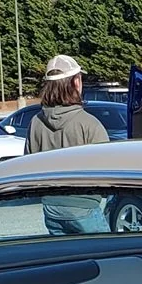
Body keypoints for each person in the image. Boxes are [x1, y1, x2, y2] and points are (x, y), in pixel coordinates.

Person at [27, 54, 112, 234]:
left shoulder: (35, 122)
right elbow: (107, 171)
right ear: (75, 82)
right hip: (85, 206)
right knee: (105, 258)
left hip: (51, 207)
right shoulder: (89, 123)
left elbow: (28, 165)